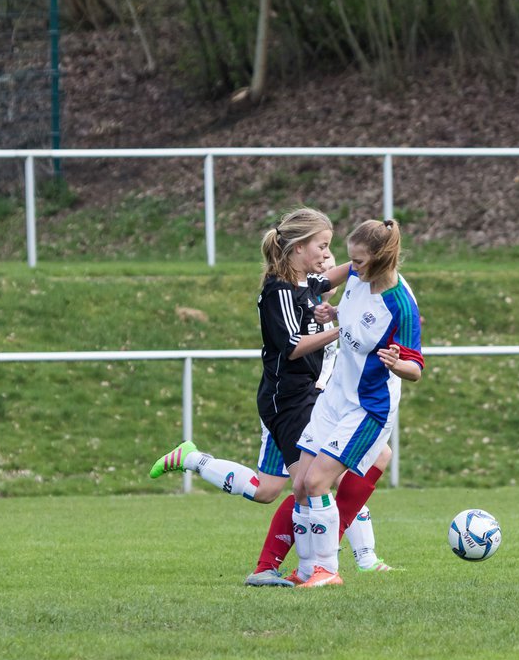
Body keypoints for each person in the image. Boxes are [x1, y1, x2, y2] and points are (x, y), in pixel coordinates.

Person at [149, 208, 396, 585]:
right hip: (290, 399)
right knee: (316, 482)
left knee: (271, 489)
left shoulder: (308, 283)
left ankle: (195, 461)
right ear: (297, 248)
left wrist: (370, 260)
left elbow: (335, 278)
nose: (326, 254)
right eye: (322, 246)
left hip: (308, 397)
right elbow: (294, 347)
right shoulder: (277, 292)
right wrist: (341, 328)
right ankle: (316, 568)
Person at [291, 217, 423, 587]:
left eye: (359, 261)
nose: (350, 267)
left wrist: (399, 364)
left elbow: (416, 368)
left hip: (367, 408)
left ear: (381, 260)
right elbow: (353, 319)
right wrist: (333, 314)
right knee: (300, 484)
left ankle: (328, 570)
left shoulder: (401, 304)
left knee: (318, 482)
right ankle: (304, 572)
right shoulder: (355, 277)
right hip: (334, 396)